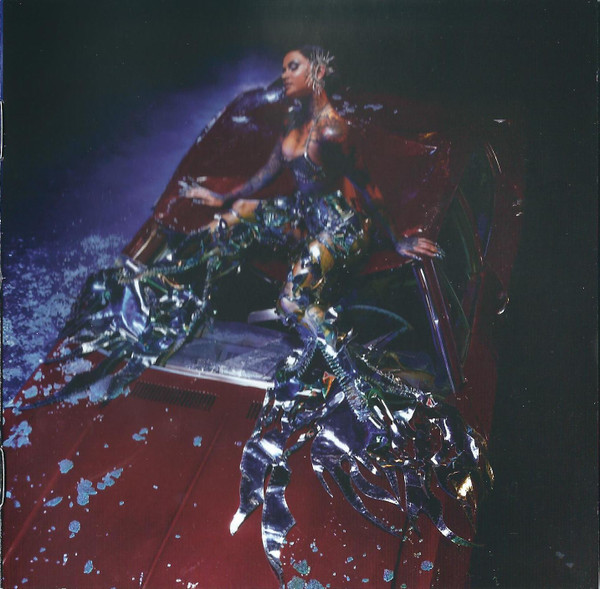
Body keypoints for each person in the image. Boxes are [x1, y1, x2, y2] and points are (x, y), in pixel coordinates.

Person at [34, 46, 489, 580]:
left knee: (293, 300)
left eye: (293, 67)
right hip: (303, 212)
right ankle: (205, 283)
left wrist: (399, 240)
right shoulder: (293, 124)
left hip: (342, 225)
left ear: (318, 71)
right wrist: (220, 198)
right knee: (231, 219)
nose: (284, 74)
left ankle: (355, 382)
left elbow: (364, 186)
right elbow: (264, 177)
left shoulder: (334, 129)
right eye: (284, 67)